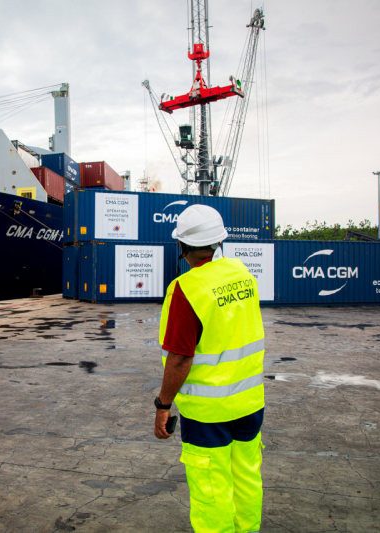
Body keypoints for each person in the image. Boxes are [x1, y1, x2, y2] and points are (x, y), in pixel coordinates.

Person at [153, 204, 265, 533]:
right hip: (250, 403)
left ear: (182, 245)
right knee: (246, 478)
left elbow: (179, 359)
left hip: (208, 413)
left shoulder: (187, 289)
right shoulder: (242, 274)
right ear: (220, 240)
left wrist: (163, 405)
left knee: (211, 490)